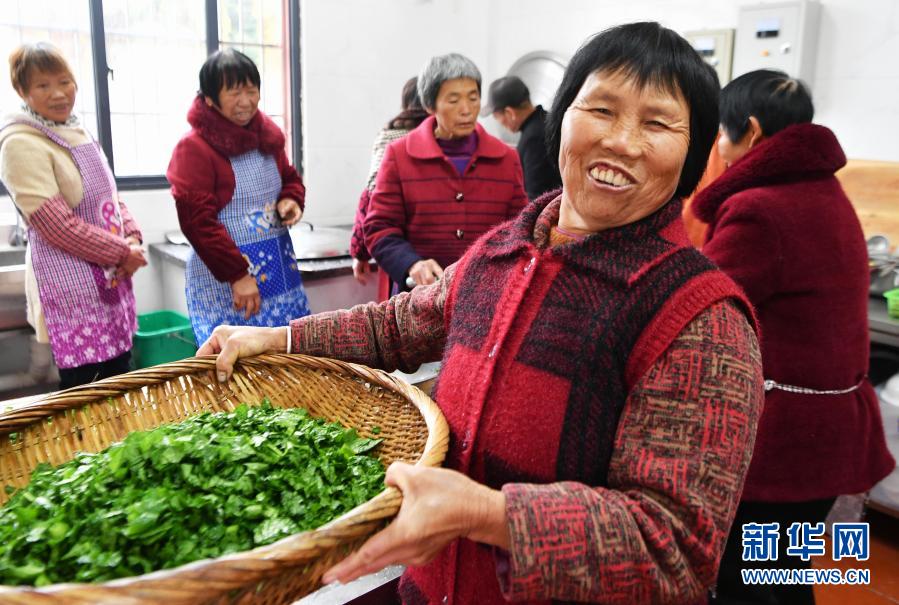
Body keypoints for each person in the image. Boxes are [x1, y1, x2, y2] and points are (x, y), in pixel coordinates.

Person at [200, 22, 766, 604]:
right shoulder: (504, 250)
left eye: (657, 123)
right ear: (564, 114)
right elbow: (398, 325)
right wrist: (280, 338)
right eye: (602, 109)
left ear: (693, 154)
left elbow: (673, 549)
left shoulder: (701, 319)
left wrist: (490, 514)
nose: (622, 141)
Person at [693, 70, 895, 605]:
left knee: (746, 579)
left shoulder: (759, 210)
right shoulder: (824, 191)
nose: (719, 145)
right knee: (784, 571)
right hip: (828, 442)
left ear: (751, 132)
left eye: (721, 132)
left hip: (785, 448)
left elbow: (697, 301)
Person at [0, 43, 146, 389]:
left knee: (119, 380)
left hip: (109, 277)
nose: (58, 94)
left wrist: (133, 236)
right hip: (75, 292)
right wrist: (123, 252)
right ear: (22, 91)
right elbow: (58, 227)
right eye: (43, 85)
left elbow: (110, 197)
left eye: (64, 81)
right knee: (89, 394)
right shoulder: (19, 143)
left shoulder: (76, 129)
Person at [167, 48, 310, 345]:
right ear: (209, 98)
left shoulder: (267, 136)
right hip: (228, 282)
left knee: (286, 360)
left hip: (278, 273)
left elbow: (290, 179)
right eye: (234, 92)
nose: (246, 101)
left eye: (251, 90)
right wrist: (237, 275)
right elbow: (197, 223)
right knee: (235, 368)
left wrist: (291, 200)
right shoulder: (194, 148)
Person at [362, 53, 528, 294]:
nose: (466, 110)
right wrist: (411, 264)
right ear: (430, 106)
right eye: (453, 100)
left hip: (486, 296)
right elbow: (380, 227)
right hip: (421, 298)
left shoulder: (505, 157)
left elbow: (519, 227)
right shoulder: (399, 156)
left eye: (473, 98)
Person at [351, 76, 428, 292]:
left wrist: (360, 252)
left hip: (397, 246)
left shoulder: (390, 136)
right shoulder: (444, 139)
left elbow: (370, 197)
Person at [482, 75, 562, 200]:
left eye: (496, 117)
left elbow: (536, 196)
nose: (499, 123)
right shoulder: (546, 121)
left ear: (510, 113)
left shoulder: (533, 139)